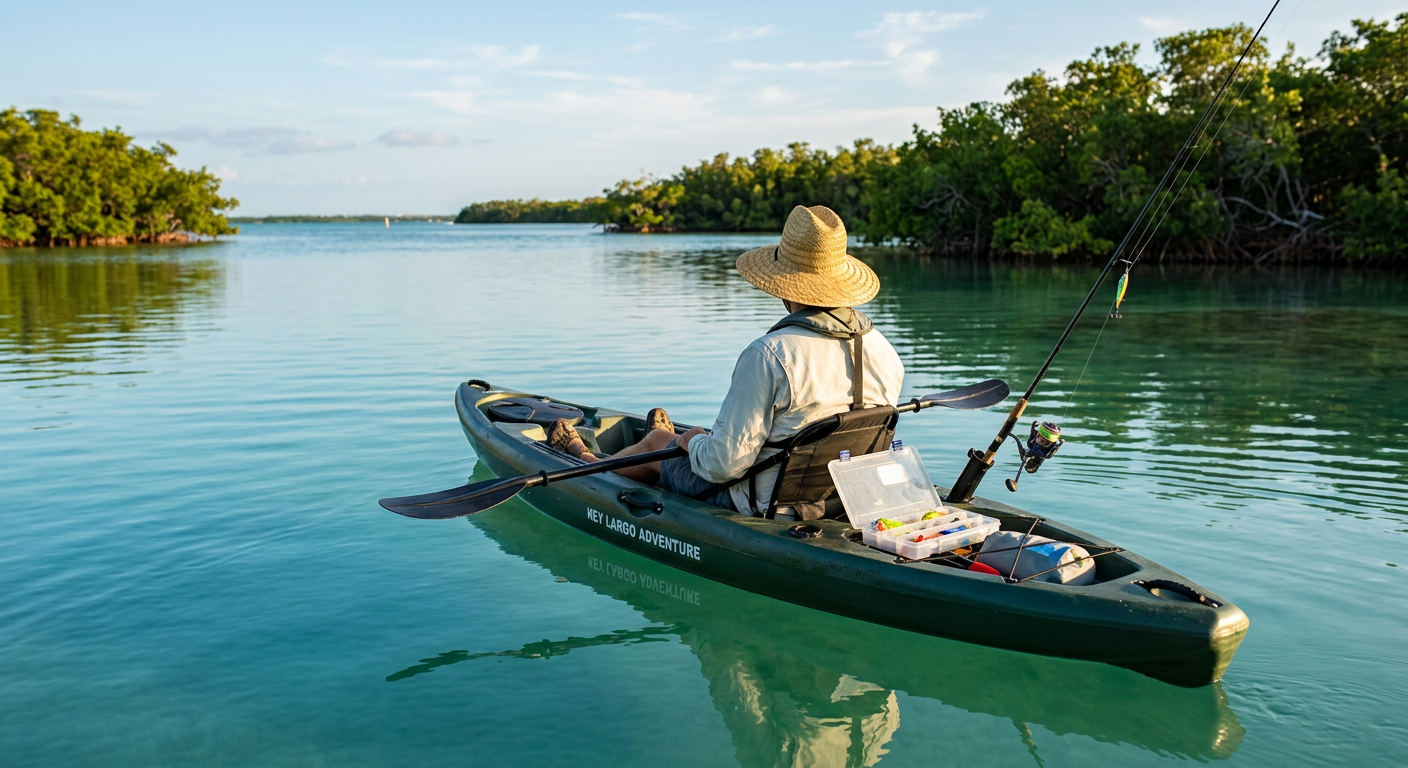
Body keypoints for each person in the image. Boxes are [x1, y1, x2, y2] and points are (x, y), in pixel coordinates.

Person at [548, 204, 904, 517]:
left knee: (660, 444)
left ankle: (585, 460)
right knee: (699, 440)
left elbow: (724, 466)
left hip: (764, 503)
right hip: (840, 499)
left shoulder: (769, 354)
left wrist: (691, 443)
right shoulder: (884, 351)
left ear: (784, 289)